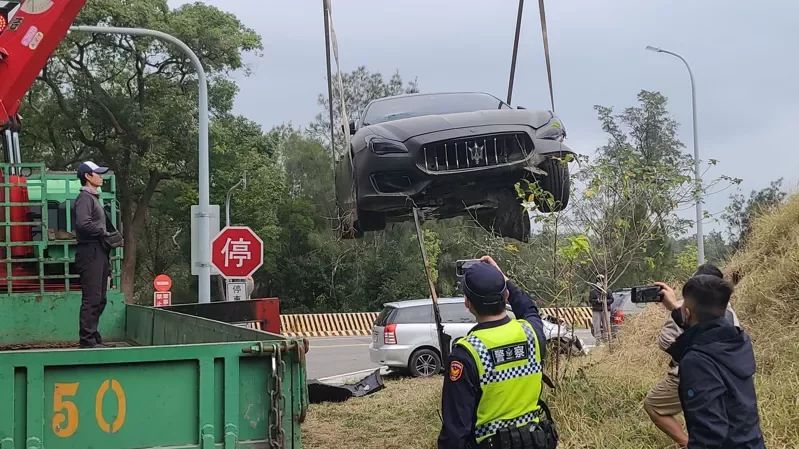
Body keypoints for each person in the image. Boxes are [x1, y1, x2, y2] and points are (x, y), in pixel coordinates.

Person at [438, 256, 557, 449]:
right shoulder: (532, 334)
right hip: (534, 442)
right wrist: (504, 278)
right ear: (506, 296)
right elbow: (529, 308)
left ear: (467, 303)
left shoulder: (467, 354)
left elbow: (455, 435)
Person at [655, 275, 765, 449]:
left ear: (688, 313)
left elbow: (709, 434)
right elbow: (704, 333)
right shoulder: (739, 340)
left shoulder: (696, 361)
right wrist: (677, 309)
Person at [644, 264, 740, 448]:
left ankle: (686, 443)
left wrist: (676, 310)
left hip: (690, 375)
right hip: (730, 377)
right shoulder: (731, 316)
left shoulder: (684, 308)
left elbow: (666, 343)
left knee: (654, 404)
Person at [74, 161, 112, 348]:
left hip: (99, 252)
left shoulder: (94, 198)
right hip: (90, 252)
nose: (101, 176)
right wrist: (103, 232)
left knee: (100, 298)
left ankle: (93, 337)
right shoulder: (84, 199)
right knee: (92, 298)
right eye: (97, 173)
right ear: (88, 176)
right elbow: (83, 224)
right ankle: (87, 340)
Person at [587, 275, 613, 340]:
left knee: (606, 325)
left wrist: (605, 301)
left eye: (601, 280)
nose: (600, 282)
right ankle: (598, 338)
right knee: (596, 325)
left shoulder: (607, 290)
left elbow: (611, 299)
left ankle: (606, 338)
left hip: (606, 310)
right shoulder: (593, 291)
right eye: (599, 280)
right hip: (596, 310)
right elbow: (590, 300)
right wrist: (597, 301)